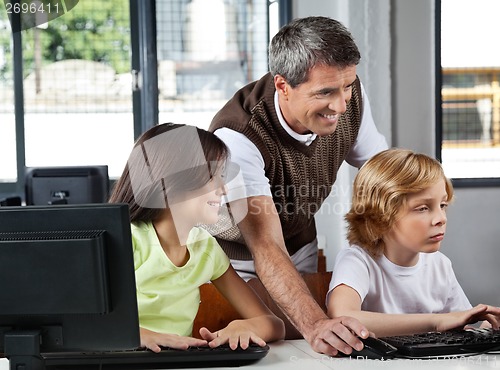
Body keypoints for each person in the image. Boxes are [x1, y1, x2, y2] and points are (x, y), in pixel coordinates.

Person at [208, 16, 386, 355]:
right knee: (273, 341)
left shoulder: (349, 97)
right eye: (326, 92)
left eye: (347, 86)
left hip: (299, 239)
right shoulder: (239, 136)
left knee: (301, 347)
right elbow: (264, 244)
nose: (341, 105)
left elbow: (382, 170)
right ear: (282, 85)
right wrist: (315, 323)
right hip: (235, 259)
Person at [109, 123, 285, 353]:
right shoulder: (127, 240)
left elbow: (275, 325)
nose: (223, 189)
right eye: (213, 176)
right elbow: (80, 326)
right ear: (171, 181)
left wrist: (245, 326)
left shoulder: (206, 247)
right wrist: (141, 336)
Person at [327, 148, 500, 337]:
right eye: (423, 208)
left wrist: (486, 329)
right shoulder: (358, 261)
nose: (441, 218)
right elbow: (342, 316)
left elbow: (459, 323)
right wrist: (435, 322)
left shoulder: (440, 265)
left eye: (442, 205)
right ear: (380, 215)